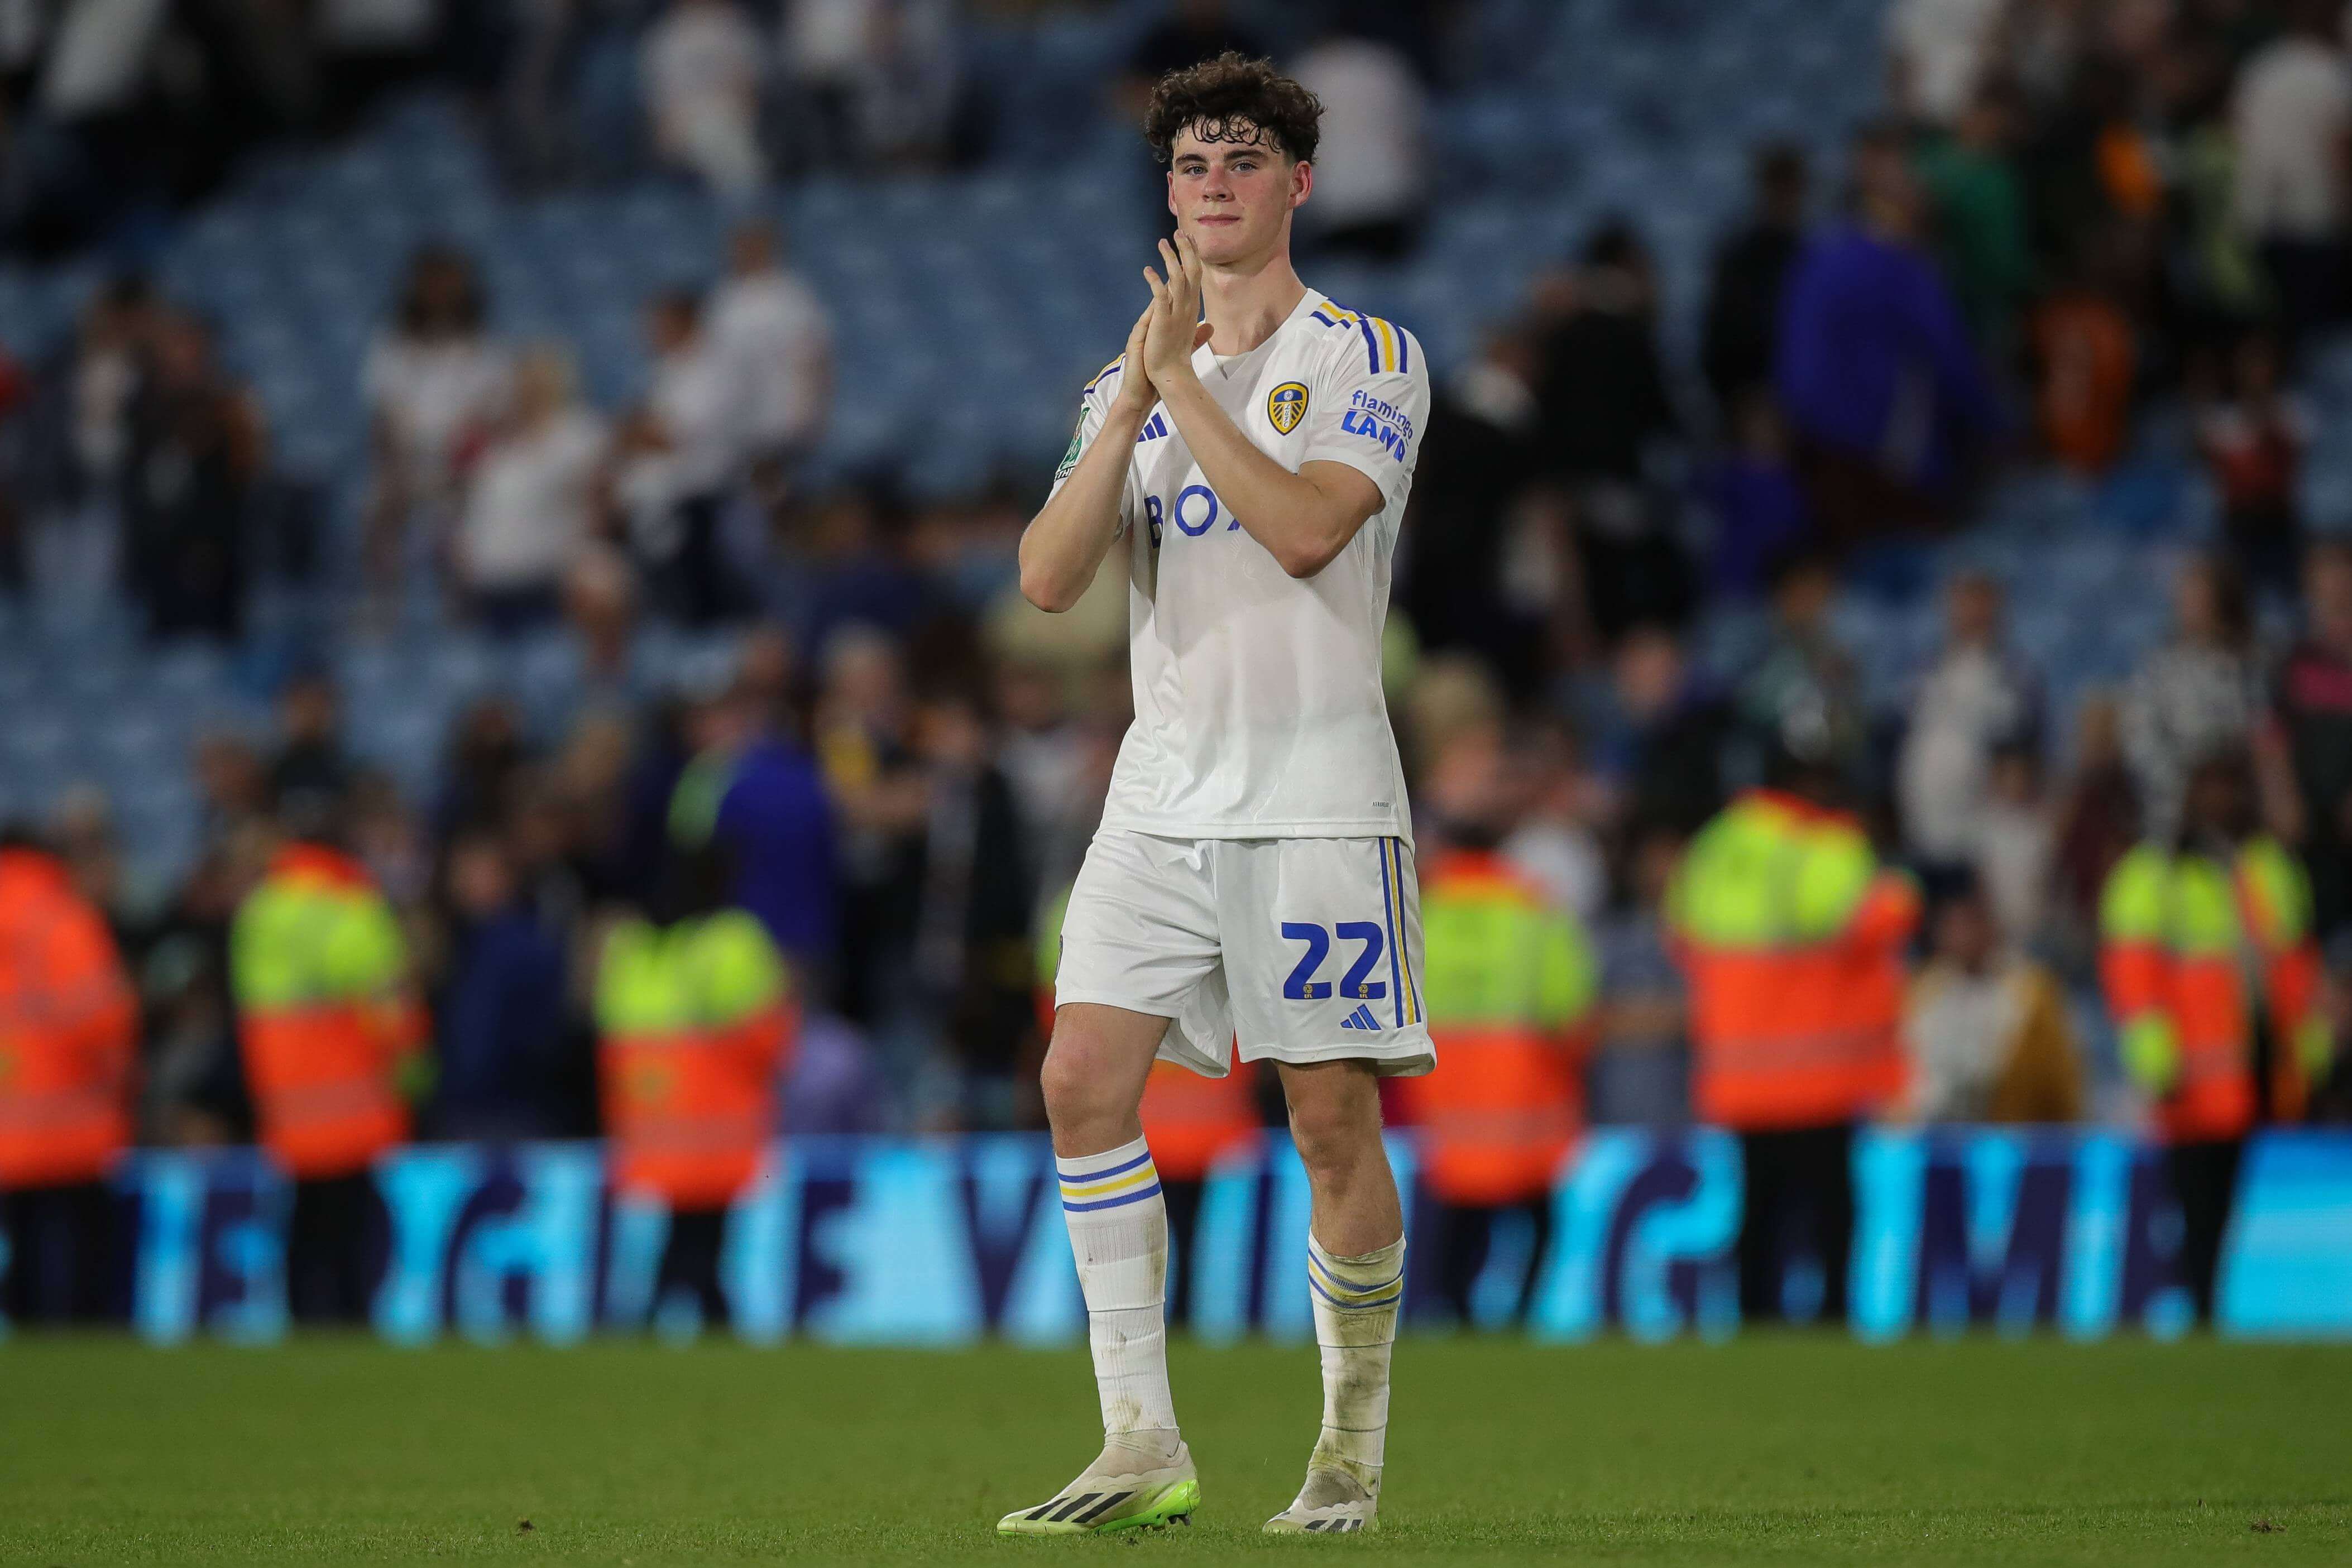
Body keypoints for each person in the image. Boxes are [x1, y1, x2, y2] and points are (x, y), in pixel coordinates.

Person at [1002, 54, 1431, 1537]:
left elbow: (1312, 532)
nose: (1213, 185)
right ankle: (1137, 1439)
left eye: (1242, 159)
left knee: (1323, 1121)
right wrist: (1130, 403)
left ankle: (1347, 1452)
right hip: (1162, 791)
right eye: (1190, 165)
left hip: (1313, 793)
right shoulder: (1119, 386)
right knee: (1075, 1082)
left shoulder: (1369, 353)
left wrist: (1185, 380)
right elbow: (1048, 580)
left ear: (1298, 184)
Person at [1668, 732, 1918, 1325]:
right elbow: (1873, 918)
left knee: (1759, 1209)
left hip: (1740, 1071)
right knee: (1832, 1209)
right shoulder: (1827, 843)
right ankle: (1832, 1316)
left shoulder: (1717, 844)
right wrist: (1902, 892)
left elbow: (1680, 930)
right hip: (1818, 1071)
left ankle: (1753, 1320)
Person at [2100, 751, 2336, 1321]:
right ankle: (2200, 1304)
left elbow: (2295, 965)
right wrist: (2154, 1054)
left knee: (2234, 1198)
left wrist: (2309, 1045)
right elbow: (2132, 972)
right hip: (2192, 1068)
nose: (2221, 800)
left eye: (2231, 785)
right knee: (2195, 1198)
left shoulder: (2269, 865)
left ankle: (2217, 1306)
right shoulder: (2157, 871)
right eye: (2209, 785)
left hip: (2260, 1064)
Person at [1392, 735, 1595, 1325]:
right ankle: (1520, 1318)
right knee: (1535, 1221)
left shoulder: (1421, 911)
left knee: (1455, 1227)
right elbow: (1571, 1010)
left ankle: (1450, 1317)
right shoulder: (1535, 910)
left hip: (1446, 1111)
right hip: (1526, 1109)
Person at [229, 812, 427, 1323]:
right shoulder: (351, 906)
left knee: (304, 1214)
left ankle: (300, 1314)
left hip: (285, 1094)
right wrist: (413, 1070)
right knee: (351, 1217)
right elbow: (388, 1003)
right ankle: (351, 1313)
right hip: (350, 1092)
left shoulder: (261, 910)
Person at [1036, 886, 1260, 1330]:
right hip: (1191, 1114)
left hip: (1127, 1112)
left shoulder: (1082, 898)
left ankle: (1105, 1320)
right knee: (1178, 1233)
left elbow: (1056, 1004)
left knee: (1106, 1221)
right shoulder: (1220, 893)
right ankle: (1173, 1321)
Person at [595, 840, 792, 1331]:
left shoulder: (634, 945)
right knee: (703, 1239)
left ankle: (671, 1317)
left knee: (684, 1236)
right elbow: (770, 1038)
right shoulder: (732, 941)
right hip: (715, 1126)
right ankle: (690, 1318)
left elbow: (609, 1034)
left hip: (652, 1125)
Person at [0, 830, 138, 1324]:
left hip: (8, 1122)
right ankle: (81, 1331)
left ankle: (24, 1328)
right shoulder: (62, 917)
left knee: (24, 1236)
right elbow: (102, 1016)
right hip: (71, 1112)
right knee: (81, 1241)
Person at [453, 343, 606, 634]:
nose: (526, 389)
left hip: (551, 572)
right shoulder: (496, 441)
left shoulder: (580, 432)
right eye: (521, 380)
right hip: (492, 574)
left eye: (536, 380)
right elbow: (471, 500)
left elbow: (596, 500)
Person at [1904, 879, 2083, 1124]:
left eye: (1968, 926)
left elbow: (2061, 1074)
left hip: (2014, 1130)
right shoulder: (1924, 991)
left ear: (1989, 928)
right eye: (1952, 927)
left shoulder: (2031, 991)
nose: (1961, 937)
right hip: (1936, 1130)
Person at [2231, 0, 2352, 354]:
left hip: (2261, 226)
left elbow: (2239, 138)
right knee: (2323, 345)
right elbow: (2341, 156)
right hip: (2316, 226)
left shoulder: (2259, 68)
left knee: (2284, 340)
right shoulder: (2334, 74)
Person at [707, 220, 833, 479]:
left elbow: (813, 358)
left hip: (781, 417)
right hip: (738, 417)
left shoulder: (791, 297)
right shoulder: (726, 297)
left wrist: (809, 413)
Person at [1700, 144, 1809, 413]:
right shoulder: (1741, 257)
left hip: (1796, 403)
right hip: (1756, 401)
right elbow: (1722, 340)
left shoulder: (1812, 255)